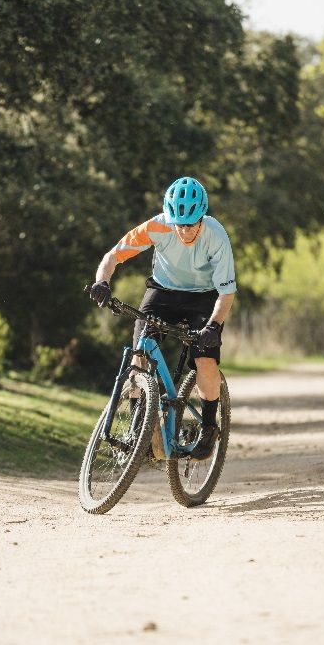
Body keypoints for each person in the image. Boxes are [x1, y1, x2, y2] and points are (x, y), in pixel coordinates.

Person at [87, 176, 237, 460]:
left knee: (205, 357)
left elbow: (226, 292)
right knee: (139, 353)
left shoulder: (216, 235)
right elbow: (113, 256)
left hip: (205, 297)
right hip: (163, 292)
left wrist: (214, 326)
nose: (184, 230)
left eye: (191, 223)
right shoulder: (157, 226)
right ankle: (136, 429)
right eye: (179, 223)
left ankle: (207, 427)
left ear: (202, 218)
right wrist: (102, 282)